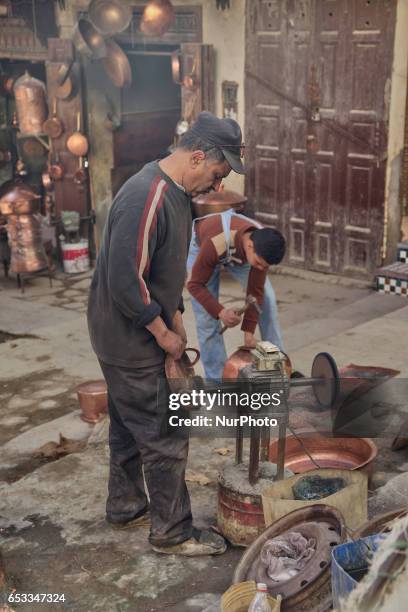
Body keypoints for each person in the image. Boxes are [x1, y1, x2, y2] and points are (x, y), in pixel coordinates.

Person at [87, 111, 245, 555]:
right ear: (197, 157)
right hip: (128, 335)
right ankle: (172, 532)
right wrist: (161, 332)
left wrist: (176, 318)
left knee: (126, 424)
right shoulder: (148, 194)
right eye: (217, 173)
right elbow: (125, 279)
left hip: (126, 333)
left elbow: (162, 271)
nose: (217, 186)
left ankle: (126, 505)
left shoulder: (175, 193)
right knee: (165, 434)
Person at [187, 209, 286, 379]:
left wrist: (249, 334)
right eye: (260, 264)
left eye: (266, 267)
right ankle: (218, 381)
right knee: (207, 319)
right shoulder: (215, 243)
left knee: (267, 299)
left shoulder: (261, 244)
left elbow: (255, 294)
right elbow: (194, 285)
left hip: (238, 253)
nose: (262, 268)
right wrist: (221, 312)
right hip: (204, 246)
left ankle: (277, 367)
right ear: (250, 246)